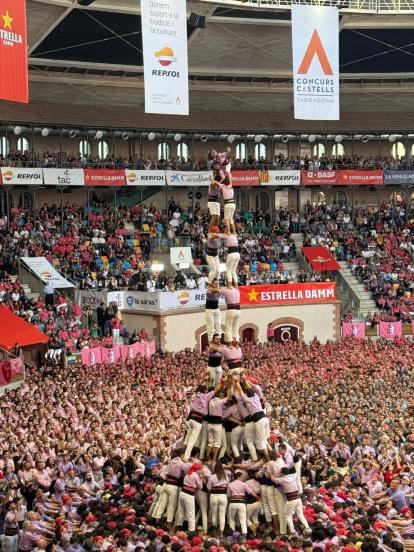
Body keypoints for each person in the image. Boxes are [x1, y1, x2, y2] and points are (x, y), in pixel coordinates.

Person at [271, 467, 310, 537]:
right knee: (300, 515)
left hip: (291, 500)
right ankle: (308, 529)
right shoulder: (292, 477)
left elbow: (273, 479)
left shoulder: (282, 479)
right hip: (298, 499)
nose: (279, 473)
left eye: (280, 472)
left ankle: (292, 532)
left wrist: (270, 472)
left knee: (287, 516)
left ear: (283, 473)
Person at [205, 279, 221, 344]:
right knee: (210, 326)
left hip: (216, 308)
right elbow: (213, 292)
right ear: (212, 284)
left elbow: (218, 290)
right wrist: (210, 288)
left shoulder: (218, 289)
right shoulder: (208, 291)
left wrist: (211, 287)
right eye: (215, 283)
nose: (216, 285)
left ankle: (219, 339)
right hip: (209, 309)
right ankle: (210, 341)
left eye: (217, 283)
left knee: (218, 325)